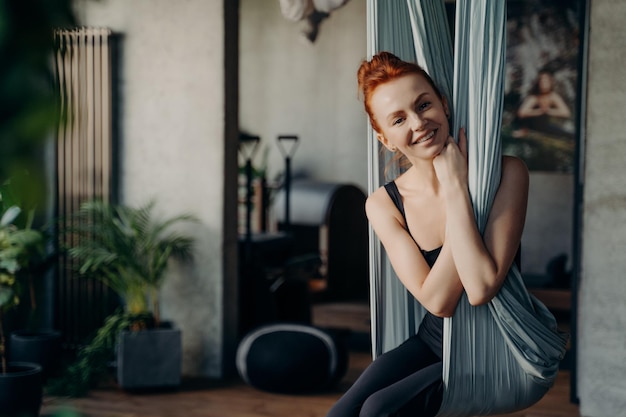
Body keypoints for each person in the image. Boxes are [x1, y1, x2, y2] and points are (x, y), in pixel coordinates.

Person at [326, 51, 529, 417]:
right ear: (385, 138)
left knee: (379, 411)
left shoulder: (507, 174)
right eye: (399, 118)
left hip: (498, 347)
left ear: (444, 105)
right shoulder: (384, 204)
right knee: (340, 414)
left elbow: (481, 287)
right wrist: (456, 189)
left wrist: (456, 189)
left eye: (424, 105)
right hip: (434, 342)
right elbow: (436, 302)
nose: (418, 122)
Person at [512, 69, 572, 138]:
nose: (543, 84)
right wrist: (539, 111)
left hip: (544, 125)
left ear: (550, 82)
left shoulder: (553, 96)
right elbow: (521, 113)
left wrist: (548, 111)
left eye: (546, 81)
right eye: (542, 81)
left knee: (568, 135)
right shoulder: (534, 97)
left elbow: (566, 113)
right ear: (538, 83)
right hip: (529, 125)